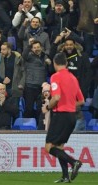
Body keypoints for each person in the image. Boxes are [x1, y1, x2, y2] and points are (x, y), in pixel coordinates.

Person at [42, 52, 84, 183]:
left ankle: (74, 162)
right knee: (59, 148)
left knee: (49, 147)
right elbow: (81, 101)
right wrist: (70, 105)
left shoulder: (55, 77)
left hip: (61, 115)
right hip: (72, 117)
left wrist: (48, 108)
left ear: (55, 63)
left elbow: (56, 97)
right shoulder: (73, 78)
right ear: (66, 63)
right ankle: (65, 176)